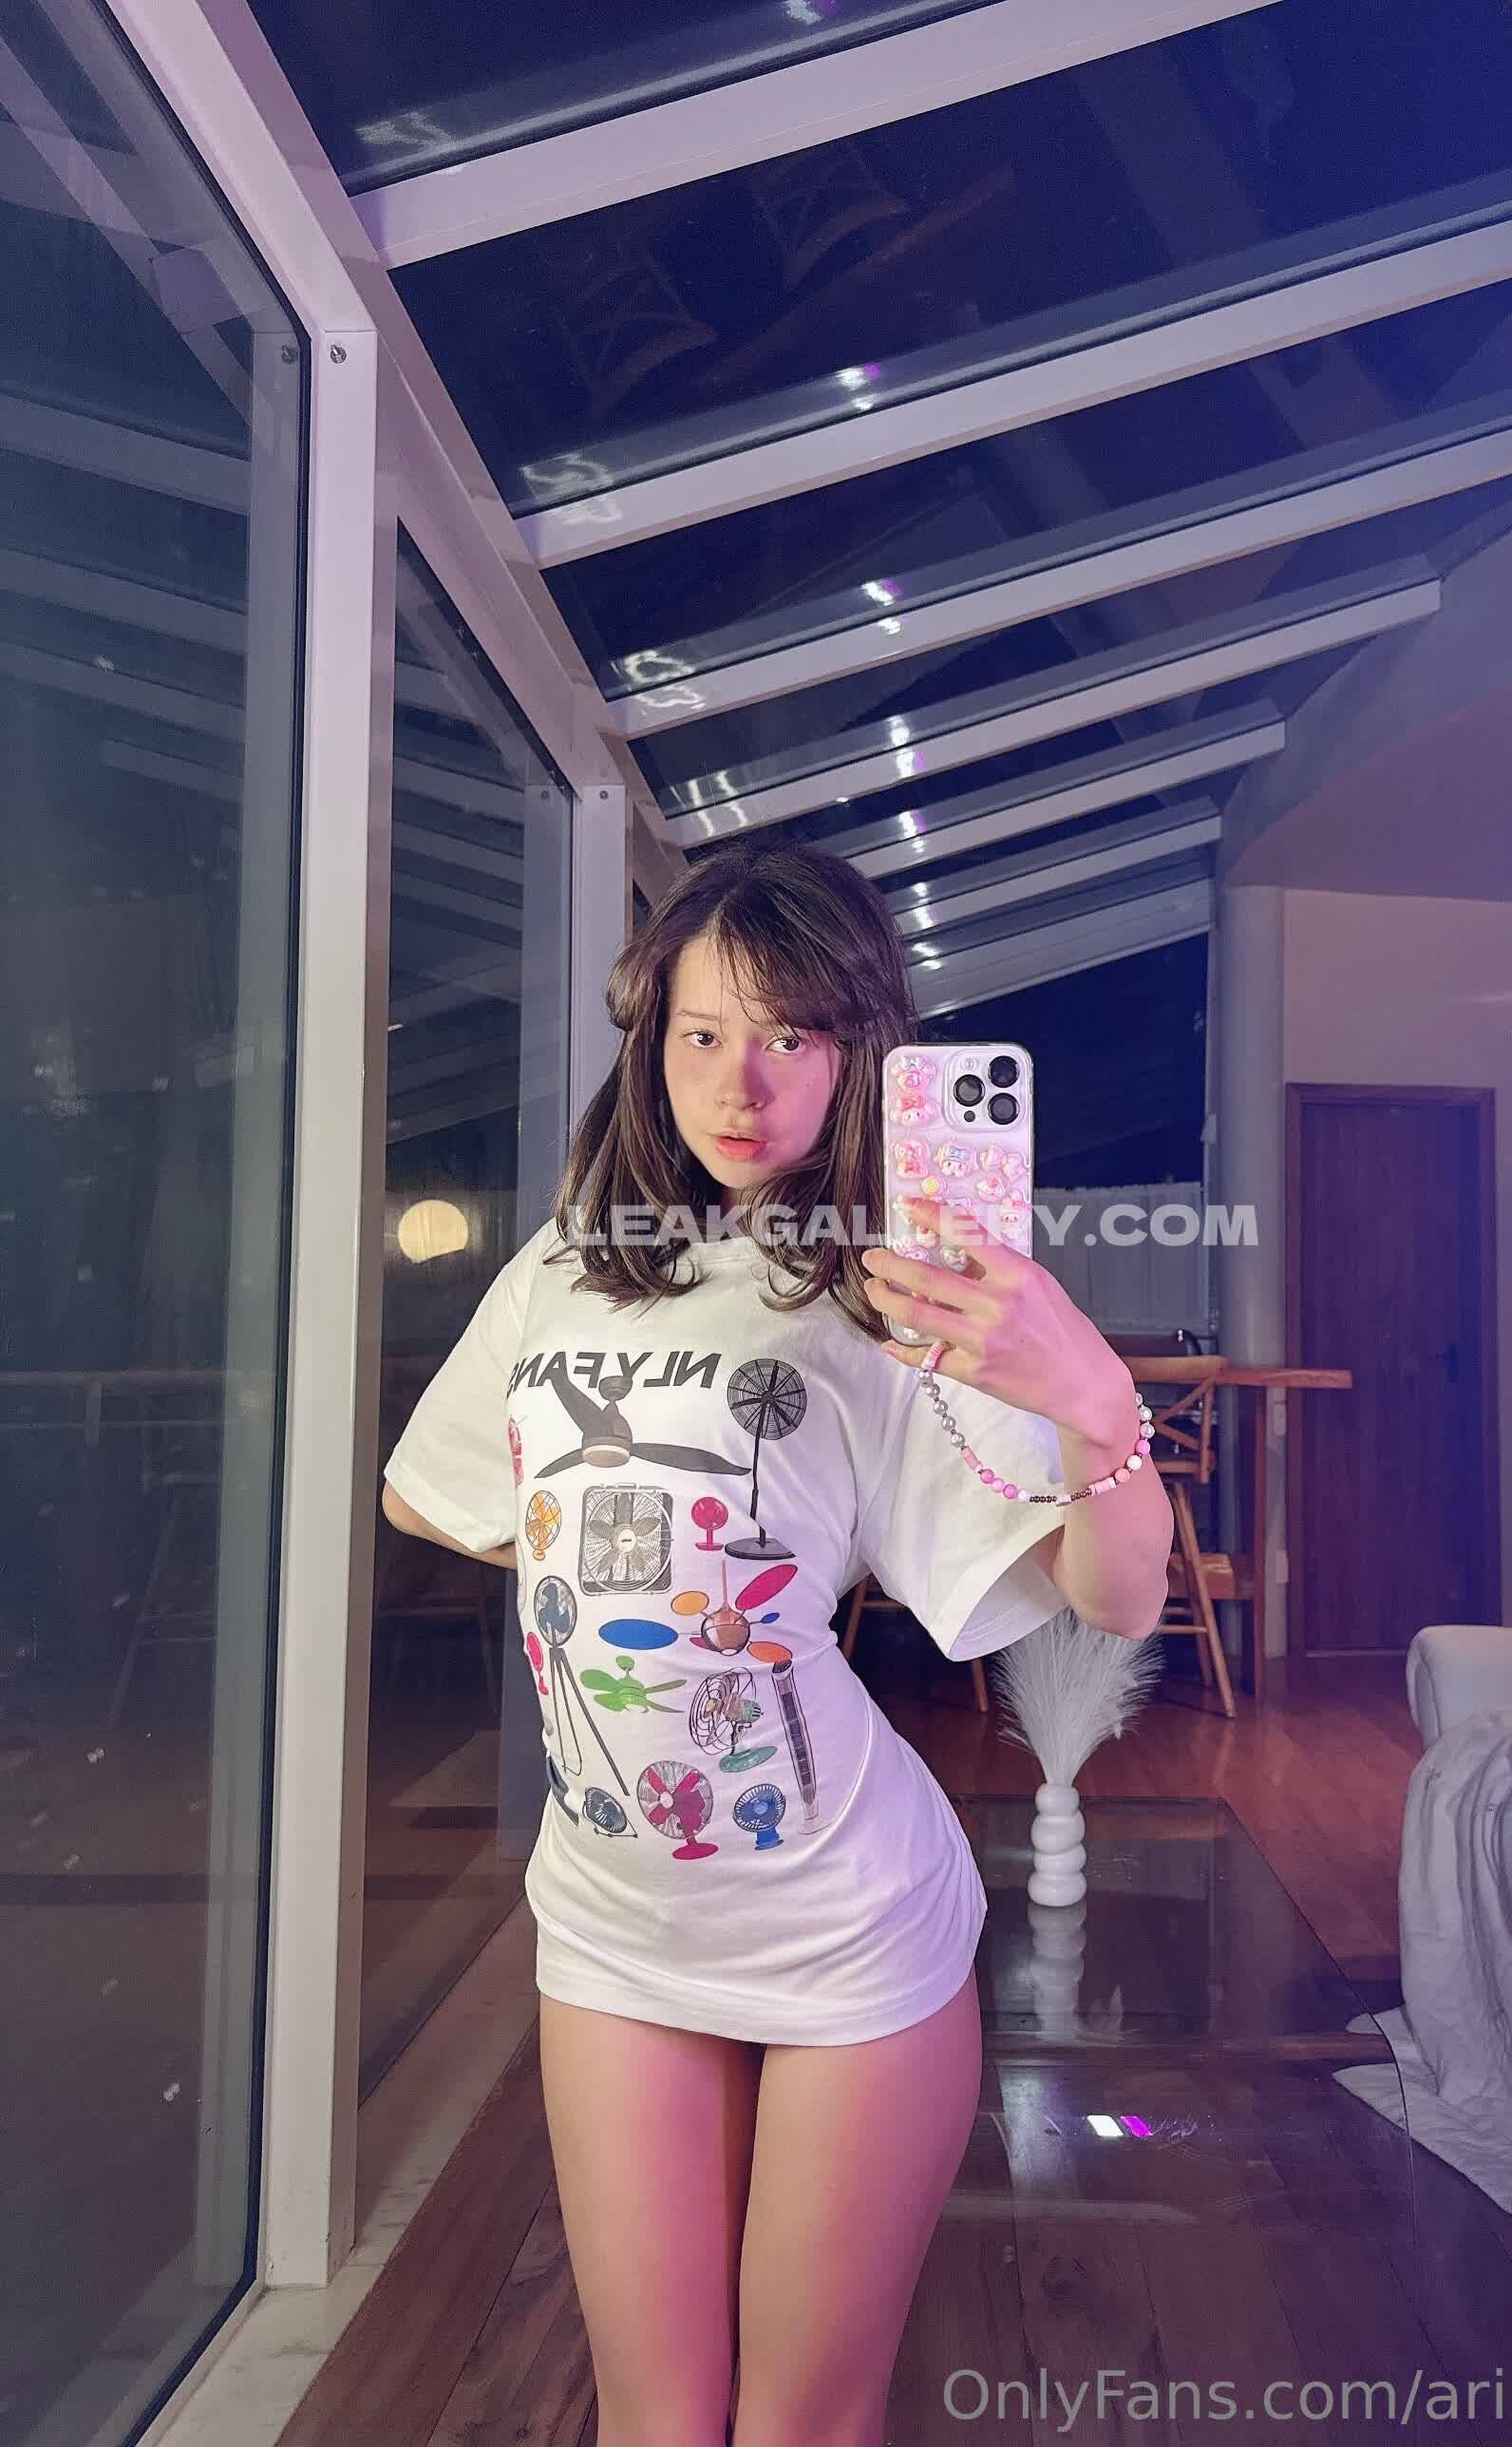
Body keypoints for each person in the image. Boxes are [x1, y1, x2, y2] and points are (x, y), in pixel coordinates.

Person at [380, 841, 1173, 2447]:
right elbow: (429, 1493)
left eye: (790, 1036)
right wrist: (644, 1580)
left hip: (845, 1924)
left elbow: (1118, 1599)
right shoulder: (566, 1266)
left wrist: (1094, 1402)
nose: (738, 1084)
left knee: (802, 2423)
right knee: (655, 2421)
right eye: (702, 1033)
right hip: (612, 1918)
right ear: (652, 1044)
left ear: (857, 1051)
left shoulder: (894, 1293)